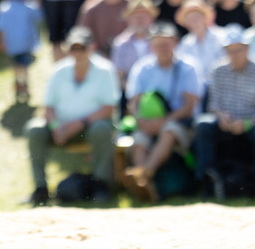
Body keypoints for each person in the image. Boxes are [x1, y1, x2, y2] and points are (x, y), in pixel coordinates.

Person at [24, 27, 119, 205]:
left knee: (101, 128)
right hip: (61, 128)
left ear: (92, 47)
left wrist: (80, 123)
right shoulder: (58, 70)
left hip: (90, 127)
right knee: (35, 129)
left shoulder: (105, 70)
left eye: (81, 48)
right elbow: (48, 107)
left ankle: (101, 186)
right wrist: (55, 127)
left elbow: (108, 108)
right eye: (73, 49)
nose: (77, 53)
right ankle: (40, 189)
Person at [123, 22, 203, 202]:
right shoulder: (142, 68)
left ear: (175, 43)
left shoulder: (188, 67)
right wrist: (140, 120)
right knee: (139, 140)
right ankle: (145, 182)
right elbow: (133, 103)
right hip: (148, 123)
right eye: (158, 44)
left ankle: (143, 175)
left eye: (166, 43)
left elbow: (189, 106)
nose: (163, 48)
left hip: (180, 123)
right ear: (151, 45)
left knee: (169, 131)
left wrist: (163, 121)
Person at [192, 24, 255, 199]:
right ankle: (205, 181)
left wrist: (248, 122)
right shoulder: (218, 70)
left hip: (250, 122)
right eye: (230, 51)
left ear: (247, 49)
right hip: (224, 122)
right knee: (203, 125)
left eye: (239, 50)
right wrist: (221, 117)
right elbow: (214, 104)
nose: (235, 54)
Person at [0, 0, 43, 103]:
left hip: (11, 44)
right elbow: (39, 18)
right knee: (25, 65)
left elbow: (0, 28)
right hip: (26, 42)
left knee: (16, 64)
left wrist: (1, 42)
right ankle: (24, 84)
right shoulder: (30, 6)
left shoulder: (4, 7)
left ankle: (17, 82)